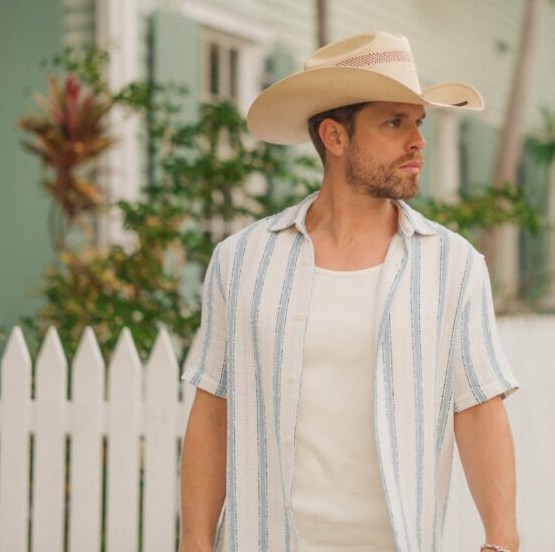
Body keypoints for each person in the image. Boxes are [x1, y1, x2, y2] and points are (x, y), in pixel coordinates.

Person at [179, 31, 521, 551]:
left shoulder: (453, 266)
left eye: (418, 122)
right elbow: (212, 410)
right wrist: (195, 540)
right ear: (335, 138)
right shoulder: (243, 260)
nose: (417, 141)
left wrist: (503, 536)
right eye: (394, 122)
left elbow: (477, 407)